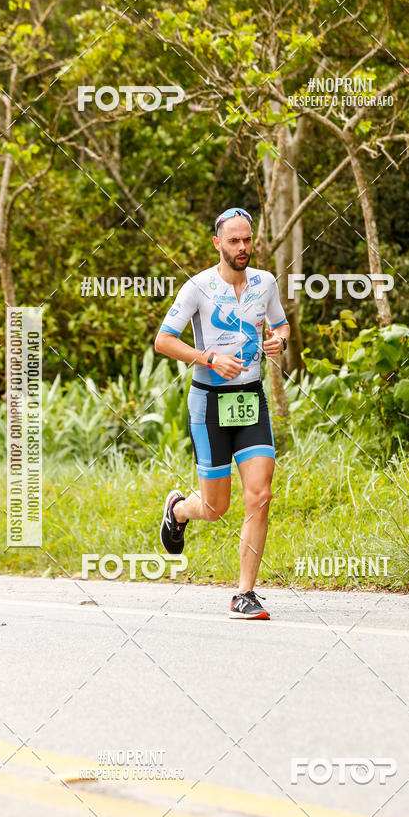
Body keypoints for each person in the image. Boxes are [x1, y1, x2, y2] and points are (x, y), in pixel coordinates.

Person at [154, 207, 290, 620]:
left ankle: (244, 593)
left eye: (247, 240)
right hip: (209, 403)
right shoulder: (198, 287)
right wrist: (208, 357)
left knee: (260, 495)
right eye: (234, 241)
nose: (243, 247)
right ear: (218, 244)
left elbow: (281, 326)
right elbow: (163, 341)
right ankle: (178, 510)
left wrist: (278, 343)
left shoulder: (265, 283)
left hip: (251, 399)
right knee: (215, 508)